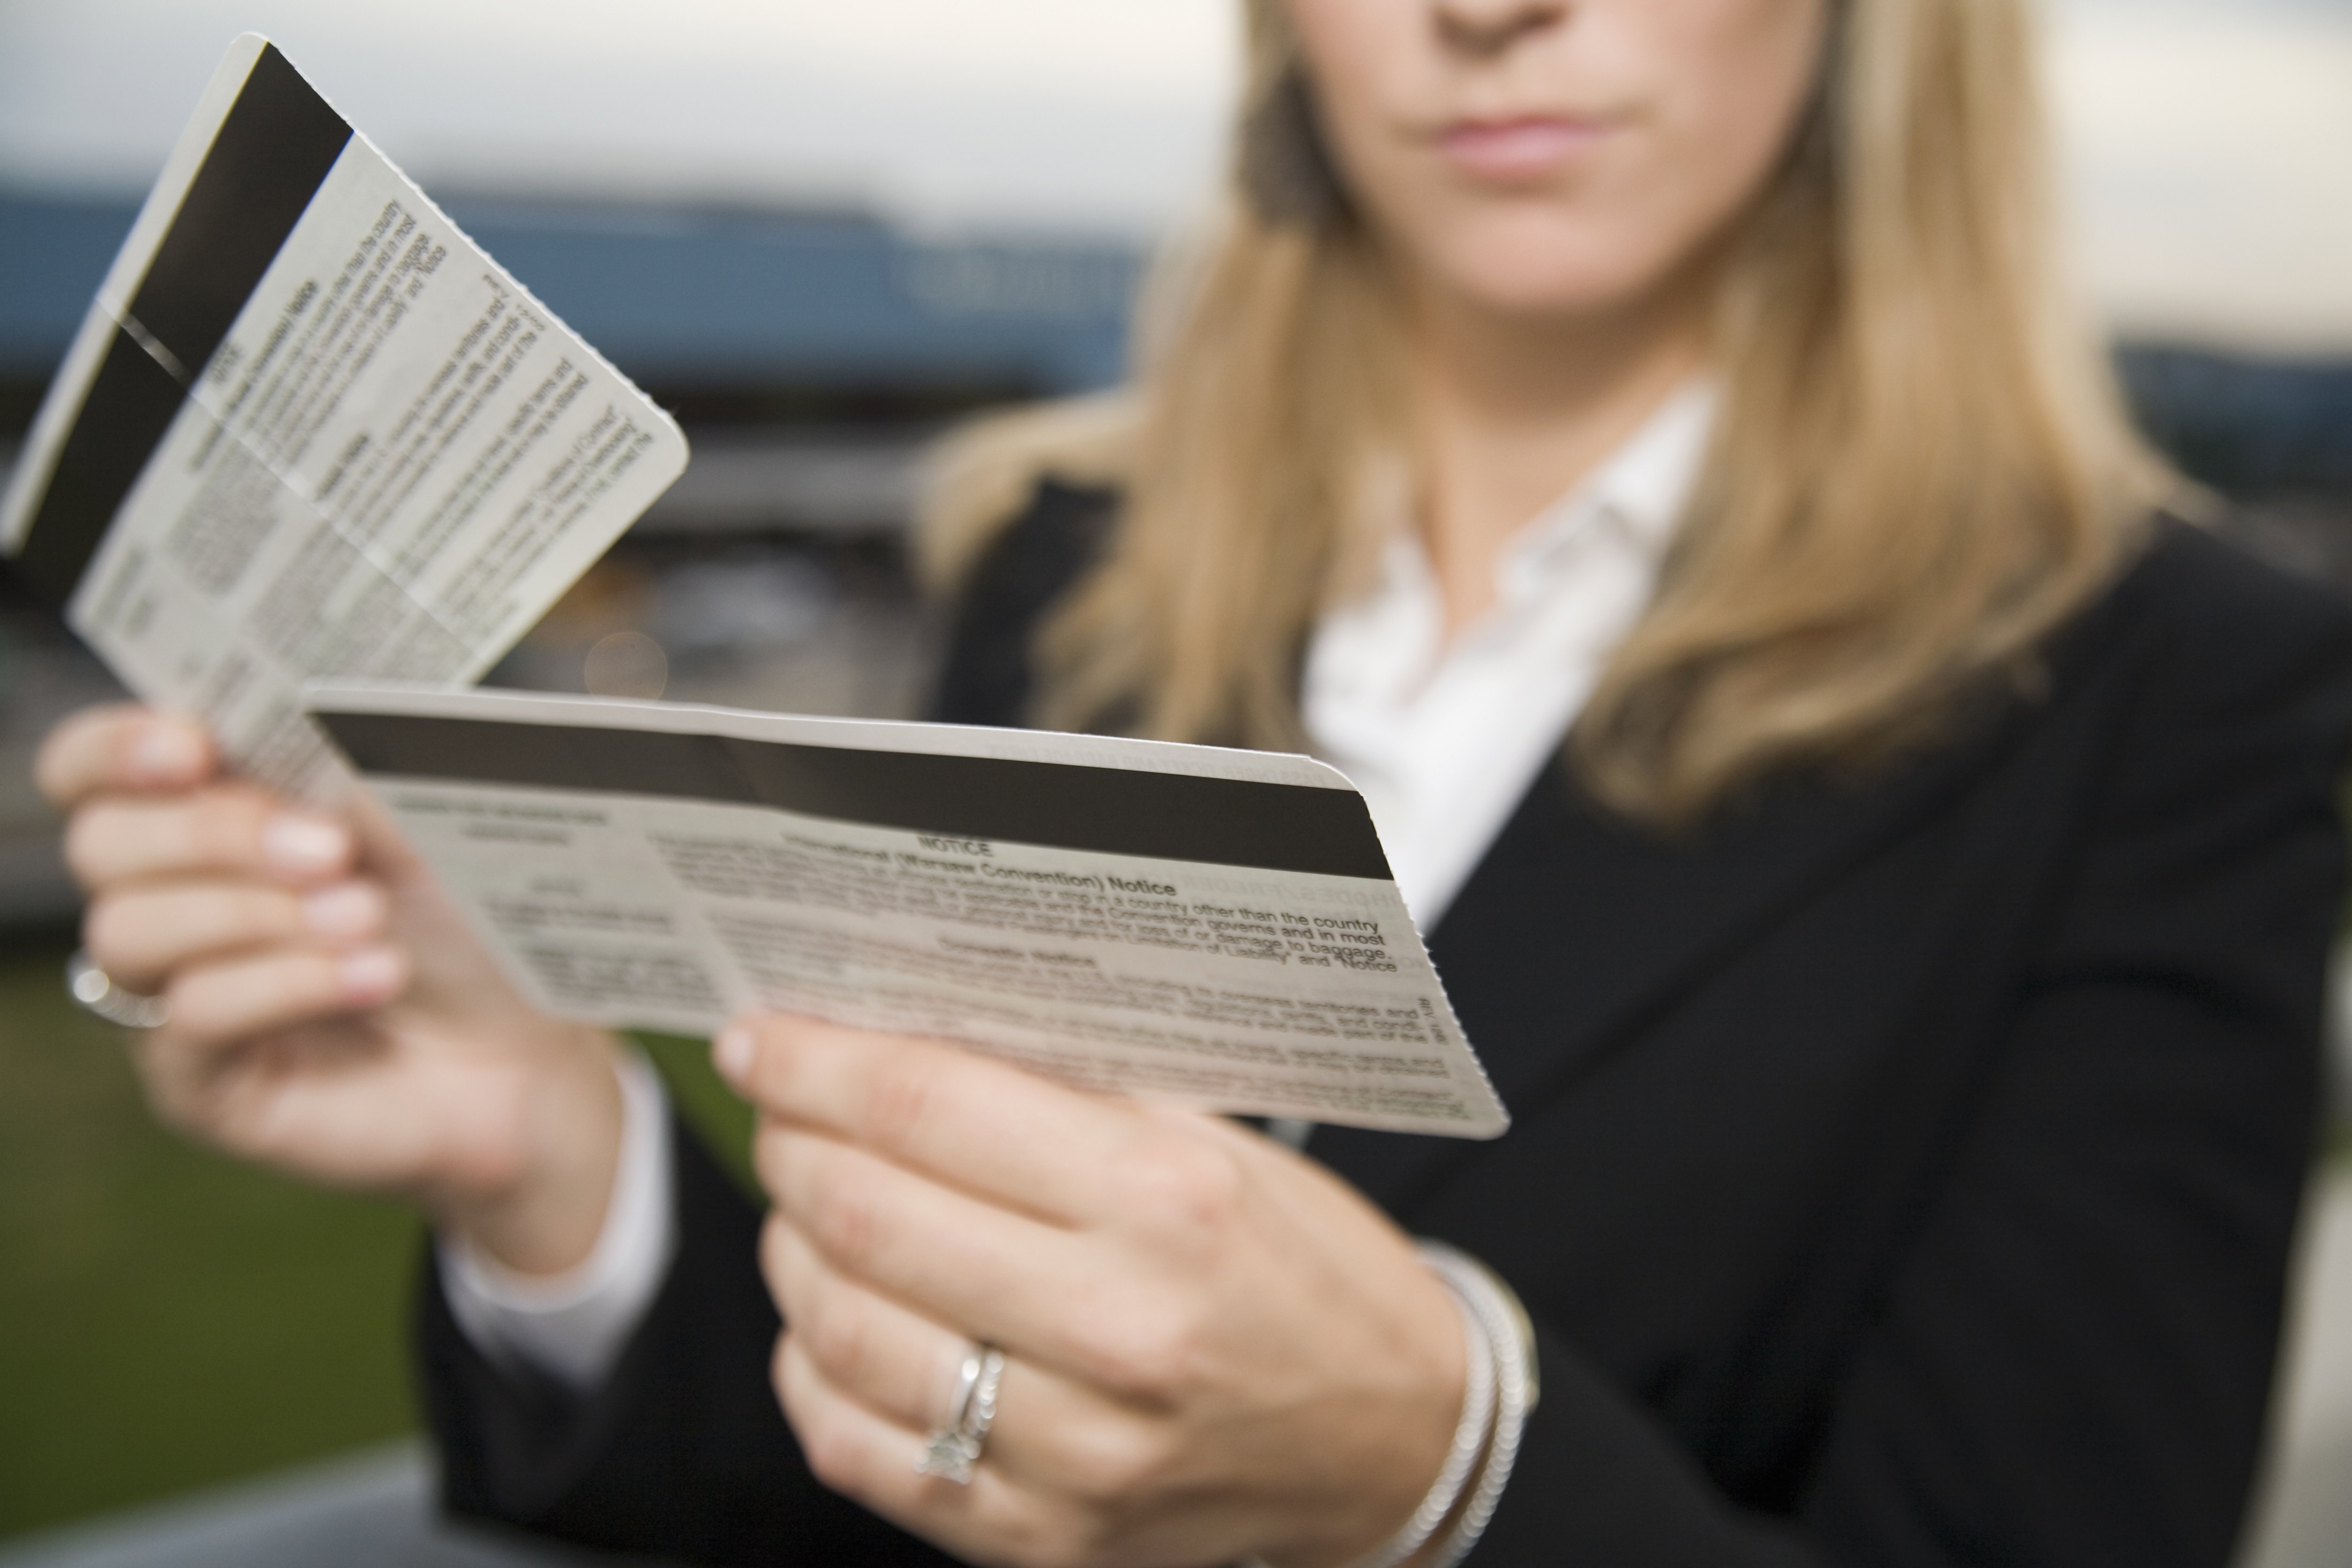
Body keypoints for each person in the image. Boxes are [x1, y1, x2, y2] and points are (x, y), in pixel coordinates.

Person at [34, 0, 2352, 1563]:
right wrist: (554, 1160)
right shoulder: (1058, 572)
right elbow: (900, 1472)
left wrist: (1451, 1464)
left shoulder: (2174, 692)